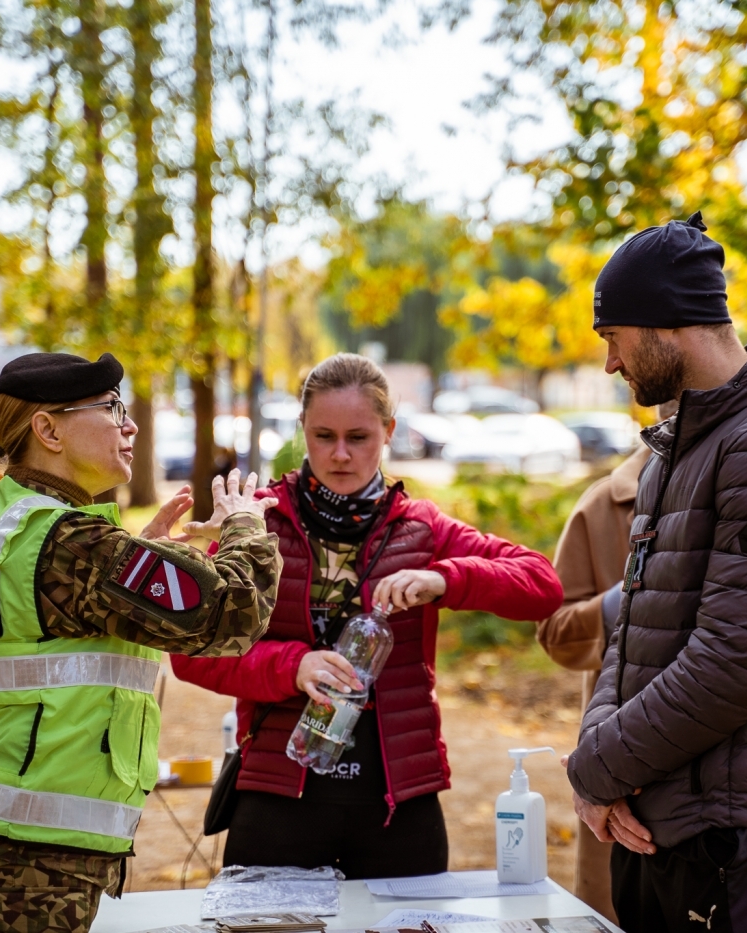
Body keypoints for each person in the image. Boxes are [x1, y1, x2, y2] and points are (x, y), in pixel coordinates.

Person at [564, 214, 747, 933]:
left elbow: (732, 661)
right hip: (660, 819)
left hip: (743, 834)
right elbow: (633, 629)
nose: (611, 363)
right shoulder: (681, 444)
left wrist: (595, 769)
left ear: (669, 324)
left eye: (614, 338)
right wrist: (600, 763)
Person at [0, 351, 282, 933]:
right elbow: (233, 615)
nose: (130, 423)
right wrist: (246, 524)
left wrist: (135, 559)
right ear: (47, 430)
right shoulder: (70, 543)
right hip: (33, 873)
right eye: (111, 407)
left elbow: (51, 633)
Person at [171, 353, 564, 879]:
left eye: (358, 437)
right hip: (276, 800)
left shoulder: (421, 530)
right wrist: (293, 667)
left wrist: (447, 578)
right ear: (302, 431)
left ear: (389, 431)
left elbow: (542, 585)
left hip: (397, 805)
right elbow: (190, 652)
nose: (339, 455)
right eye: (322, 435)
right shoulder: (257, 524)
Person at [534, 401, 673, 922]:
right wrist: (620, 604)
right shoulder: (602, 507)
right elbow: (554, 630)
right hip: (620, 769)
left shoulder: (746, 483)